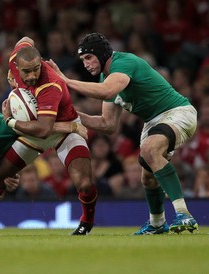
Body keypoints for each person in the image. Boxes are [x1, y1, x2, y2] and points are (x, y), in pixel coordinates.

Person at [47, 32, 198, 235]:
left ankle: (183, 214)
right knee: (148, 178)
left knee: (150, 150)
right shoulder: (106, 77)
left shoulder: (123, 63)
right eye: (82, 60)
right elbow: (107, 124)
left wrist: (65, 81)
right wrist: (69, 115)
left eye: (88, 58)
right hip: (153, 123)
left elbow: (107, 91)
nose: (86, 64)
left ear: (101, 54)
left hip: (176, 112)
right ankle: (157, 223)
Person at [0, 36, 96, 236]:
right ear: (16, 65)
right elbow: (26, 39)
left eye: (36, 69)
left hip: (60, 131)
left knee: (84, 184)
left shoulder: (50, 85)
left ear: (40, 62)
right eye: (26, 71)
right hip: (37, 132)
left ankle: (86, 222)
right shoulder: (17, 57)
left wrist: (10, 122)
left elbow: (44, 129)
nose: (32, 75)